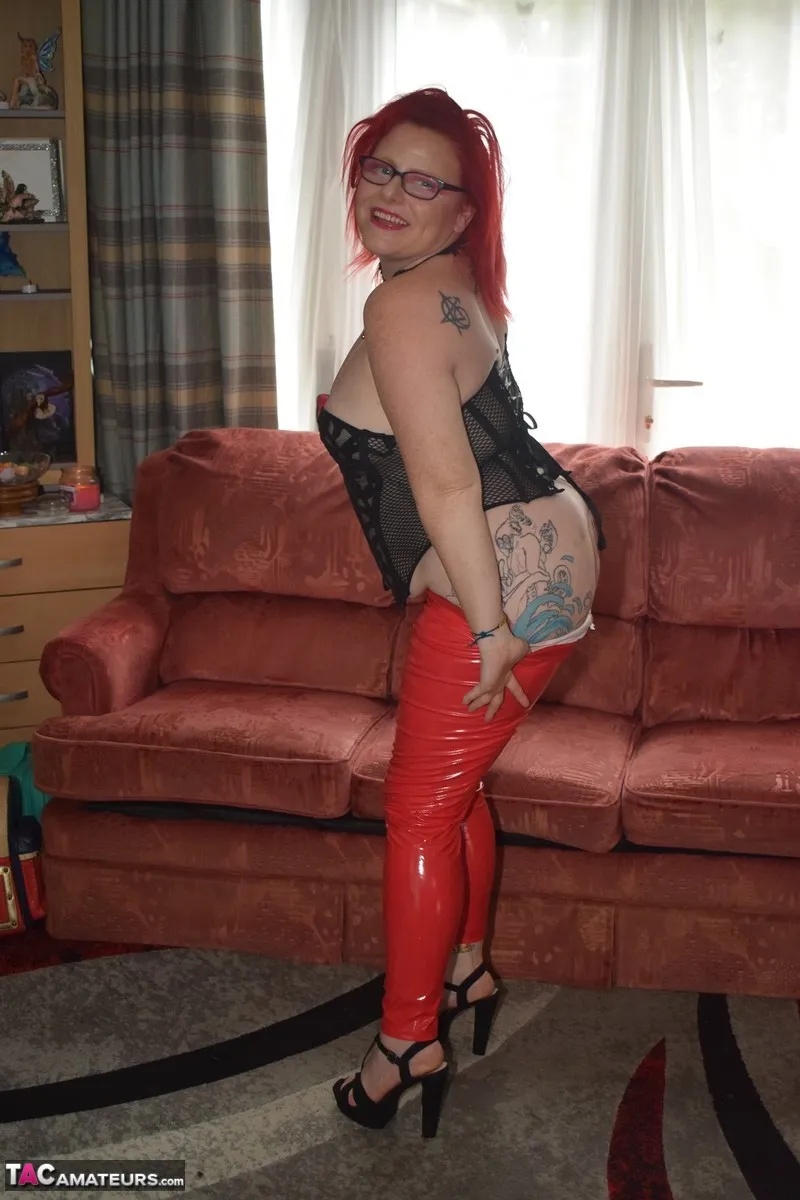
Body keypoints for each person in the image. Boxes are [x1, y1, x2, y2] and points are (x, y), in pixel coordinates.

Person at [317, 87, 605, 1138]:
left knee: (418, 813)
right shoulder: (447, 290)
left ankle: (406, 1042)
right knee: (456, 789)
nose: (392, 191)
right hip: (547, 562)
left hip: (502, 588)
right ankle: (468, 968)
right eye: (379, 167)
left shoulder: (402, 306)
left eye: (424, 179)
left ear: (463, 210)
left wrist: (488, 632)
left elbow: (445, 484)